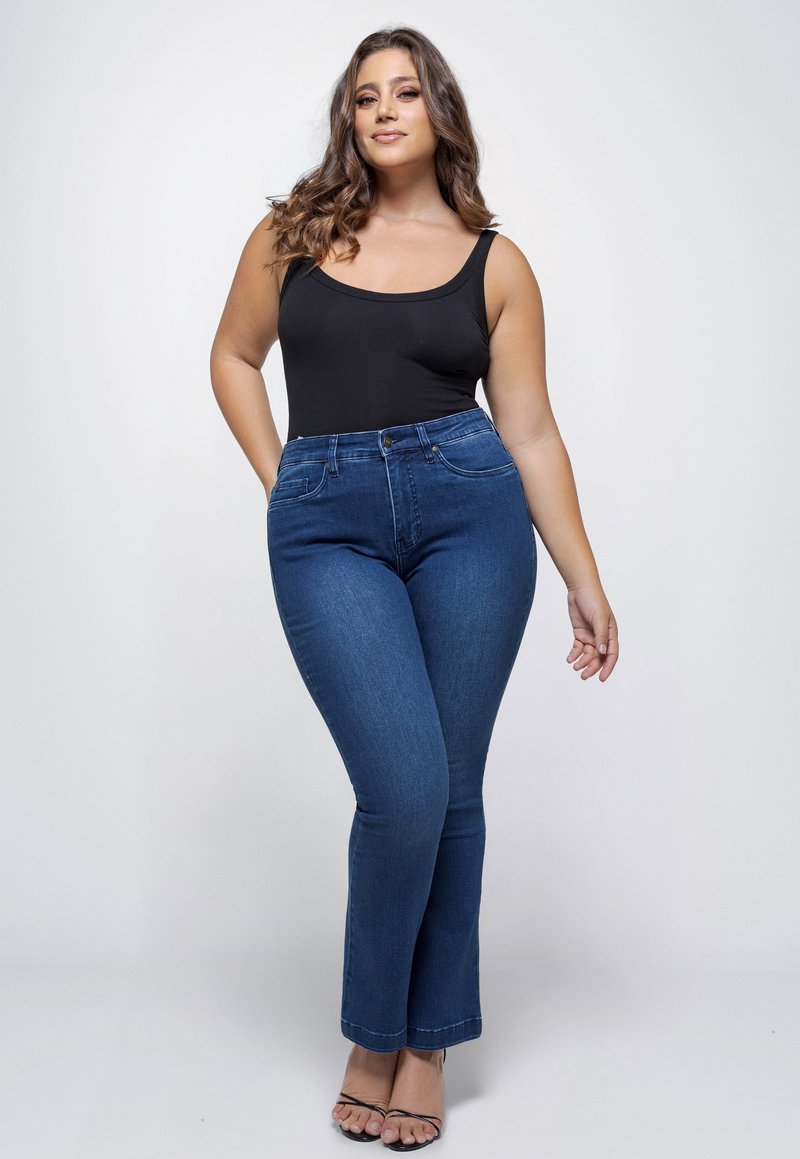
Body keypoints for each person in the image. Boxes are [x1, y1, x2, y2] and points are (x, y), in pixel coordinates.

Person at [210, 24, 619, 1152]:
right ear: (349, 120)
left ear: (439, 110)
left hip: (469, 511)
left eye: (404, 92)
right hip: (325, 521)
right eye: (365, 97)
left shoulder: (496, 262)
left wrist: (583, 577)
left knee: (453, 785)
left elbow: (530, 431)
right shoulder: (291, 235)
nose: (384, 110)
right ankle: (372, 1032)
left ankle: (426, 1046)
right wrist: (284, 480)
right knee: (402, 786)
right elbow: (232, 357)